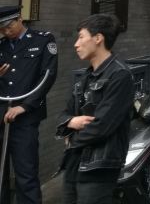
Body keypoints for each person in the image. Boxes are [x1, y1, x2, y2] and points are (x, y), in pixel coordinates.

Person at [57, 14, 134, 204]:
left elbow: (102, 126)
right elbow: (64, 114)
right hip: (74, 161)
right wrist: (71, 121)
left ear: (98, 38)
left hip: (99, 165)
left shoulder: (120, 75)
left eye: (81, 37)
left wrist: (71, 138)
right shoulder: (85, 76)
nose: (76, 44)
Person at [0, 5, 58, 204]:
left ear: (19, 19)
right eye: (2, 29)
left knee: (26, 173)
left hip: (25, 118)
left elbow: (47, 76)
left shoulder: (43, 40)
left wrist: (25, 106)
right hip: (0, 114)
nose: (6, 32)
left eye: (9, 26)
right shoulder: (1, 44)